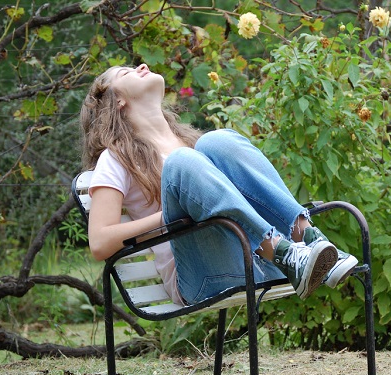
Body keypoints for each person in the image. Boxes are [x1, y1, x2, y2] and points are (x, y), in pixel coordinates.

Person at [79, 63, 357, 305]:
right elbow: (100, 243)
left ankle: (308, 239)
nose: (141, 67)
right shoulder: (117, 159)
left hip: (258, 261)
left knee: (217, 140)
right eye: (126, 72)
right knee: (182, 161)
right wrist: (166, 218)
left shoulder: (194, 143)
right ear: (117, 101)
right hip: (201, 275)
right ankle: (283, 252)